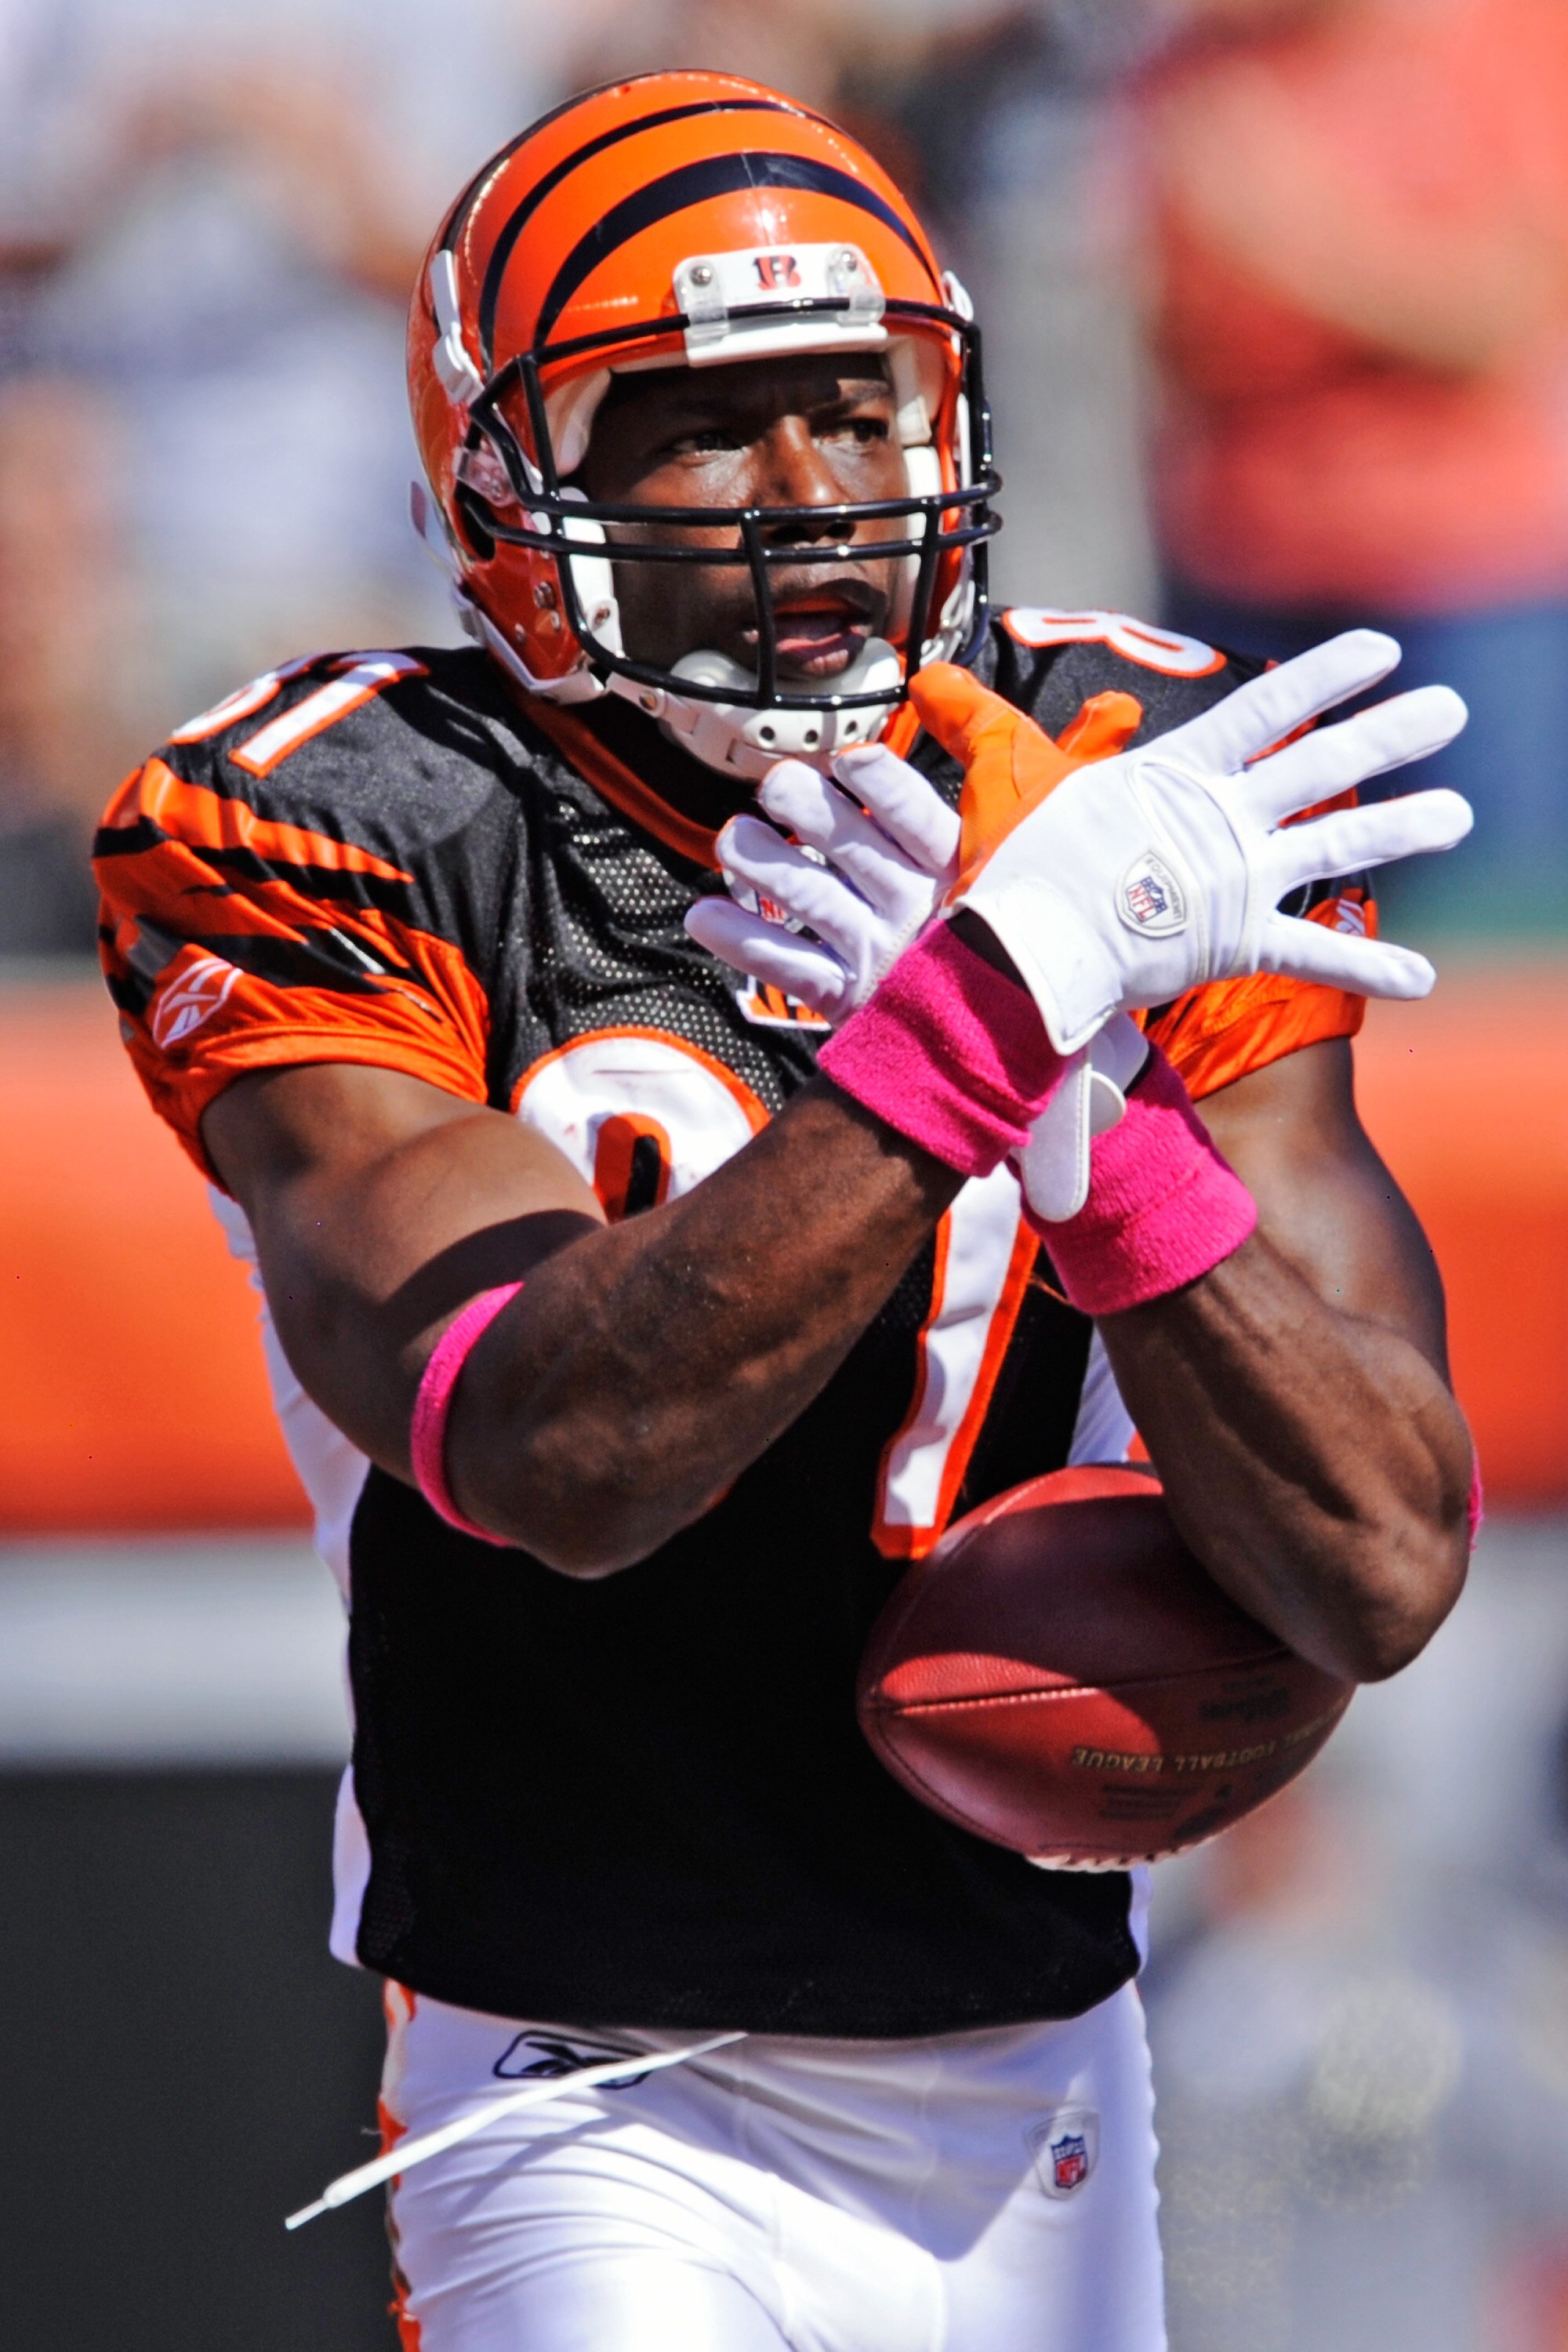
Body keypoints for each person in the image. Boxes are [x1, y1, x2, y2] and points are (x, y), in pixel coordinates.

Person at [95, 73, 1475, 2352]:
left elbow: (1382, 1557)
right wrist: (987, 1011)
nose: (816, 491)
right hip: (582, 2062)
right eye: (707, 425)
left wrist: (1096, 1125)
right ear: (507, 485)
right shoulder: (348, 820)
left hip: (1033, 2053)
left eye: (857, 406)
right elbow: (560, 1451)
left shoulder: (1117, 774)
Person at [1136, 0, 1568, 933]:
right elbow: (1166, 338)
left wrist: (1294, 229)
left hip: (1466, 589)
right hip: (1241, 570)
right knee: (1251, 944)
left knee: (1493, 947)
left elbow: (1502, 320)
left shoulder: (1496, 37)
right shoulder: (1191, 66)